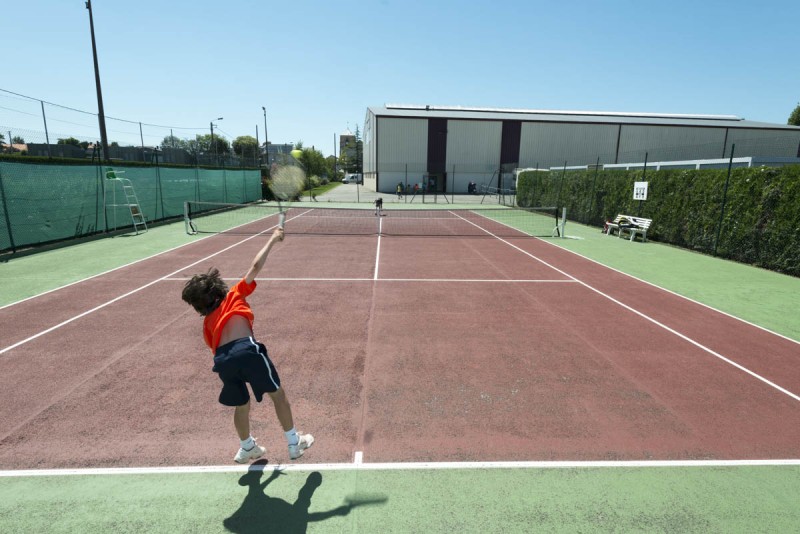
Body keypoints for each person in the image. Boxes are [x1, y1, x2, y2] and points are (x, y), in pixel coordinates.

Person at [181, 227, 314, 464]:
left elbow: (216, 349)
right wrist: (273, 239)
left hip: (222, 360)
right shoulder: (233, 295)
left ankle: (247, 447)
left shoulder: (207, 324)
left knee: (241, 405)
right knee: (278, 395)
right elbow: (255, 267)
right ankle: (294, 443)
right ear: (217, 289)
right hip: (247, 350)